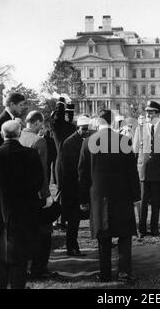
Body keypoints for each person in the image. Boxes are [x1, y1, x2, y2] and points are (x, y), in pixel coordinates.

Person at [78, 109, 140, 282]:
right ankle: (124, 272)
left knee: (103, 237)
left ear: (98, 121)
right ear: (113, 122)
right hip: (122, 195)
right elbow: (131, 173)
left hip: (99, 196)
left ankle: (105, 273)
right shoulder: (124, 141)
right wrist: (136, 196)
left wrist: (83, 199)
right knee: (124, 235)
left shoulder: (88, 142)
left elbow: (82, 174)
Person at [0, 120, 43, 289]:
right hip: (23, 213)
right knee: (20, 260)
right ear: (19, 134)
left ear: (2, 134)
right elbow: (38, 182)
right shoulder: (30, 155)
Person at [18, 111, 57, 279]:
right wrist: (46, 194)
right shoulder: (39, 141)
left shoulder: (16, 137)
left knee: (25, 232)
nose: (42, 127)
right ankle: (39, 268)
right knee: (44, 232)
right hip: (37, 194)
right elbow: (42, 171)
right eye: (41, 124)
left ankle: (25, 267)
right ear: (36, 123)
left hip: (19, 194)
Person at [132, 101, 160, 237]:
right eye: (147, 112)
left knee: (156, 202)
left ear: (157, 113)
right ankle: (142, 229)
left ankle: (154, 228)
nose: (148, 114)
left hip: (158, 170)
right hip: (143, 170)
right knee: (143, 202)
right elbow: (134, 151)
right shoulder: (140, 129)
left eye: (151, 112)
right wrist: (133, 170)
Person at [61, 115, 91, 257]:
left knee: (78, 219)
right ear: (78, 128)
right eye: (84, 129)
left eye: (87, 129)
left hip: (83, 184)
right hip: (73, 187)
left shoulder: (84, 140)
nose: (86, 131)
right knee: (73, 221)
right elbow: (69, 168)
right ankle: (71, 247)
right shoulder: (70, 143)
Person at [50, 99, 76, 228]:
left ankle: (63, 217)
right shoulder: (58, 127)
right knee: (61, 191)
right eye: (66, 114)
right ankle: (58, 218)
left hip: (70, 163)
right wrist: (60, 104)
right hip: (62, 163)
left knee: (67, 192)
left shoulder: (70, 127)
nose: (69, 116)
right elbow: (57, 118)